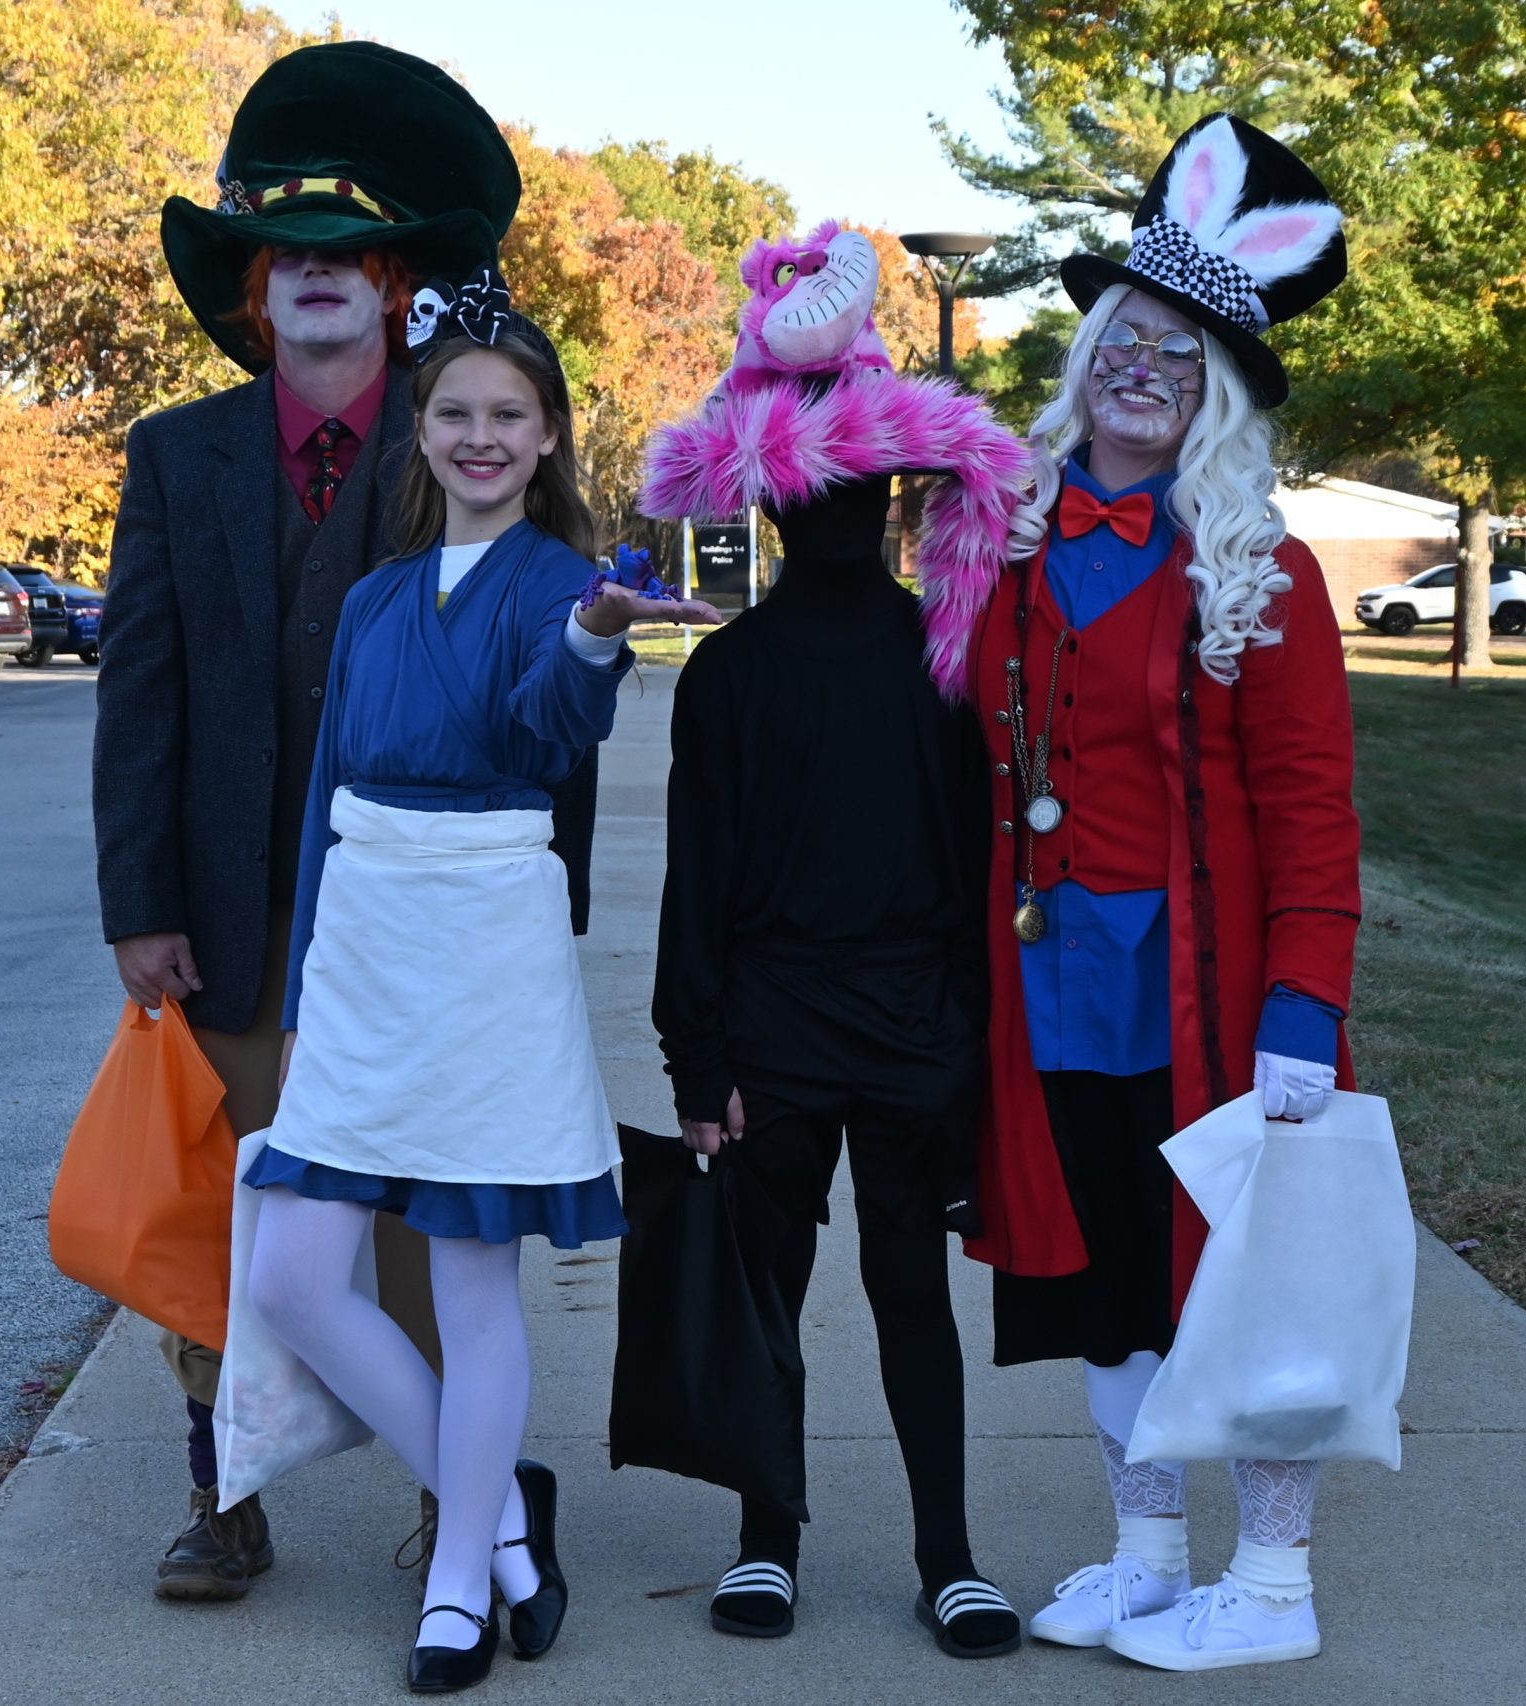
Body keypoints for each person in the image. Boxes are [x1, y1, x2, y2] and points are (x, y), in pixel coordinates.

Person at [92, 42, 565, 1600]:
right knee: (228, 1219)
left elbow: (540, 685)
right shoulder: (175, 457)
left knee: (430, 1220)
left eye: (344, 253)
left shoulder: (470, 449)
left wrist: (535, 909)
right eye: (281, 256)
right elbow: (139, 698)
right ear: (252, 294)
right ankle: (223, 1488)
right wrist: (136, 900)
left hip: (420, 924)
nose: (312, 279)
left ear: (392, 283)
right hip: (225, 914)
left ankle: (458, 1495)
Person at [918, 114, 1363, 1672]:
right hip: (1055, 973)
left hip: (1217, 993)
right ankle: (1150, 1550)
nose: (1145, 368)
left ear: (1214, 393)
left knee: (1241, 1289)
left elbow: (1314, 810)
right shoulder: (1008, 545)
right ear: (1090, 345)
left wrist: (1305, 1006)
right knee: (1105, 1273)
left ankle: (1277, 1581)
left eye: (1181, 355)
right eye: (1128, 335)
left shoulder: (1262, 568)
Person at [244, 275, 721, 1695]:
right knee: (291, 1274)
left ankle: (460, 1581)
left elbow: (542, 731)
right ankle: (502, 1500)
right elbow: (328, 784)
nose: (480, 435)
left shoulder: (561, 588)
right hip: (368, 945)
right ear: (421, 431)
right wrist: (309, 978)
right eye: (454, 410)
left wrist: (595, 636)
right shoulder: (379, 596)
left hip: (487, 935)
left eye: (510, 415)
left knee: (470, 1271)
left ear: (551, 438)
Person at [642, 222, 1034, 1660]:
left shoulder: (943, 656)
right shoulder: (729, 676)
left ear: (894, 484)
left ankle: (950, 1552)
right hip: (772, 1023)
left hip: (913, 1022)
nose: (836, 500)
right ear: (771, 483)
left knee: (909, 1289)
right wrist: (700, 1058)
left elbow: (970, 868)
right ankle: (767, 1537)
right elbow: (700, 877)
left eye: (860, 477)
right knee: (769, 1289)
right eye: (813, 477)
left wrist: (969, 1048)